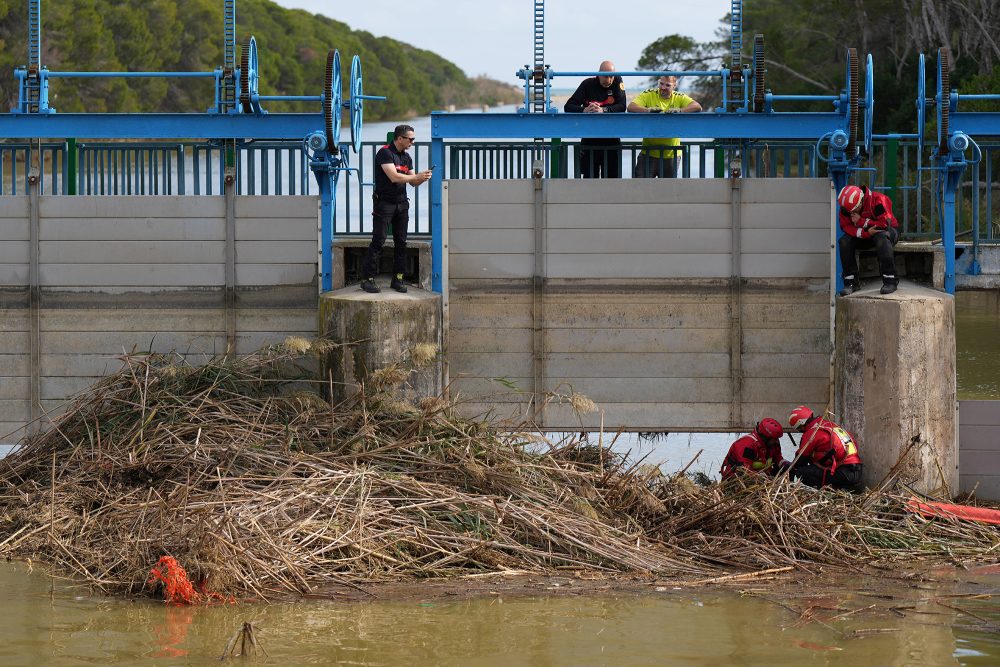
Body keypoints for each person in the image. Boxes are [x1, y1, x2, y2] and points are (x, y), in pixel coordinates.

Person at [360, 125, 433, 294]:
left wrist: (422, 178)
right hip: (384, 203)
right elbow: (394, 177)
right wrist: (416, 176)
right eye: (411, 139)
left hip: (402, 203)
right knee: (379, 240)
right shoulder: (385, 153)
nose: (412, 143)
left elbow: (413, 182)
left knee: (401, 241)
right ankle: (367, 278)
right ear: (400, 138)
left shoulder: (406, 158)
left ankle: (398, 278)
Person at [627, 76, 702, 178]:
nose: (663, 87)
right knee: (641, 189)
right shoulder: (649, 94)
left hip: (671, 154)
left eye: (667, 85)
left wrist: (680, 111)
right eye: (661, 83)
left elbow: (697, 106)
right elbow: (631, 107)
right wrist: (648, 110)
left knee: (668, 191)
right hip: (648, 152)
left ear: (674, 86)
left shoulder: (678, 97)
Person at [564, 60, 627, 178]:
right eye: (605, 76)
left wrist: (603, 110)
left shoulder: (617, 81)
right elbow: (568, 106)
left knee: (612, 182)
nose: (608, 80)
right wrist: (585, 110)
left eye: (611, 76)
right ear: (598, 74)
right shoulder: (587, 84)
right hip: (589, 141)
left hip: (611, 140)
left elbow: (622, 106)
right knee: (589, 182)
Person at [836, 184, 900, 296]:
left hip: (888, 231)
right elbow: (846, 226)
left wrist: (862, 221)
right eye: (847, 211)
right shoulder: (846, 208)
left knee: (881, 237)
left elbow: (884, 224)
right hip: (865, 234)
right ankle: (851, 283)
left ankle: (890, 280)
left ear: (860, 203)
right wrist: (865, 233)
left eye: (853, 210)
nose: (850, 213)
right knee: (844, 241)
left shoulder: (878, 200)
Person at [787, 405, 863, 491]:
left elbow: (800, 460)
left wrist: (791, 474)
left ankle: (825, 493)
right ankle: (840, 489)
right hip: (856, 470)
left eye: (799, 429)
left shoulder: (812, 432)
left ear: (801, 424)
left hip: (843, 472)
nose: (800, 431)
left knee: (801, 472)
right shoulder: (830, 425)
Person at [720, 418, 789, 481]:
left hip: (763, 479)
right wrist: (763, 478)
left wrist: (785, 464)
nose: (777, 441)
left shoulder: (772, 442)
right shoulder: (748, 446)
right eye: (774, 439)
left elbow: (777, 457)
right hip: (737, 481)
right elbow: (744, 470)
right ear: (765, 437)